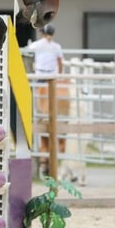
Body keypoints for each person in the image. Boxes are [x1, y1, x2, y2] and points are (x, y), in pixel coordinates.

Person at [28, 24, 72, 180]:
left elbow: (27, 55)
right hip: (52, 77)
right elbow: (60, 62)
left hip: (40, 76)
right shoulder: (56, 46)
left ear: (42, 32)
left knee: (35, 103)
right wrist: (60, 75)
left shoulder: (36, 45)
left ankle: (34, 113)